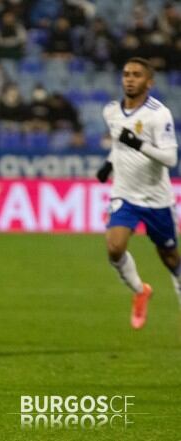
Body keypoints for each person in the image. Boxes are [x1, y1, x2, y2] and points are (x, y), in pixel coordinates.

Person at [95, 57, 179, 329]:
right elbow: (119, 144)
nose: (130, 79)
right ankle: (140, 291)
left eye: (136, 75)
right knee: (114, 248)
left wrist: (138, 144)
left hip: (156, 198)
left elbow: (170, 159)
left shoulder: (158, 114)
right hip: (125, 194)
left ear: (149, 82)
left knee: (170, 258)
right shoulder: (111, 111)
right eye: (126, 74)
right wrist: (109, 164)